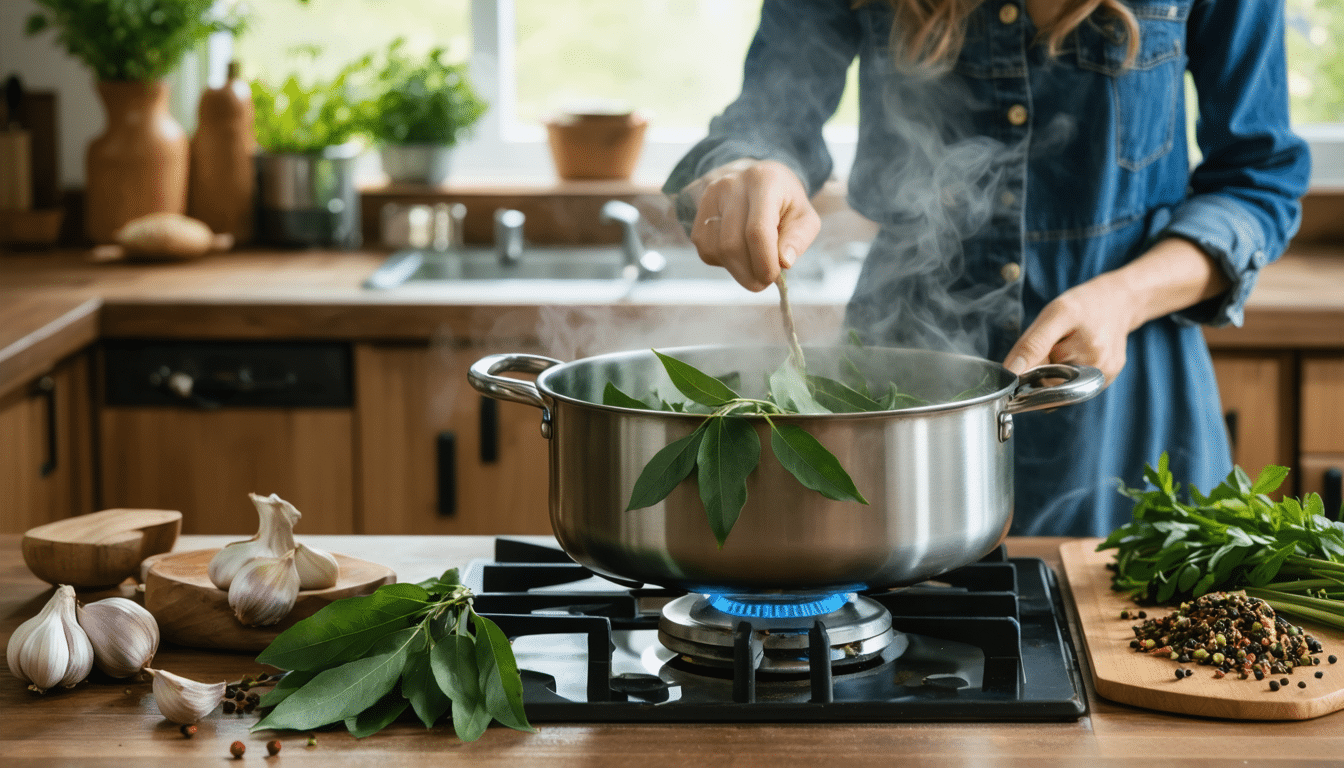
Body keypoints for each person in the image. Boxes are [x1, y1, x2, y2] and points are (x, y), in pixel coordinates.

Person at [664, 0, 1311, 537]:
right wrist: (747, 168)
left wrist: (1123, 299)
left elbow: (1258, 181)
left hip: (1127, 404)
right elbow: (766, 118)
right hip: (898, 398)